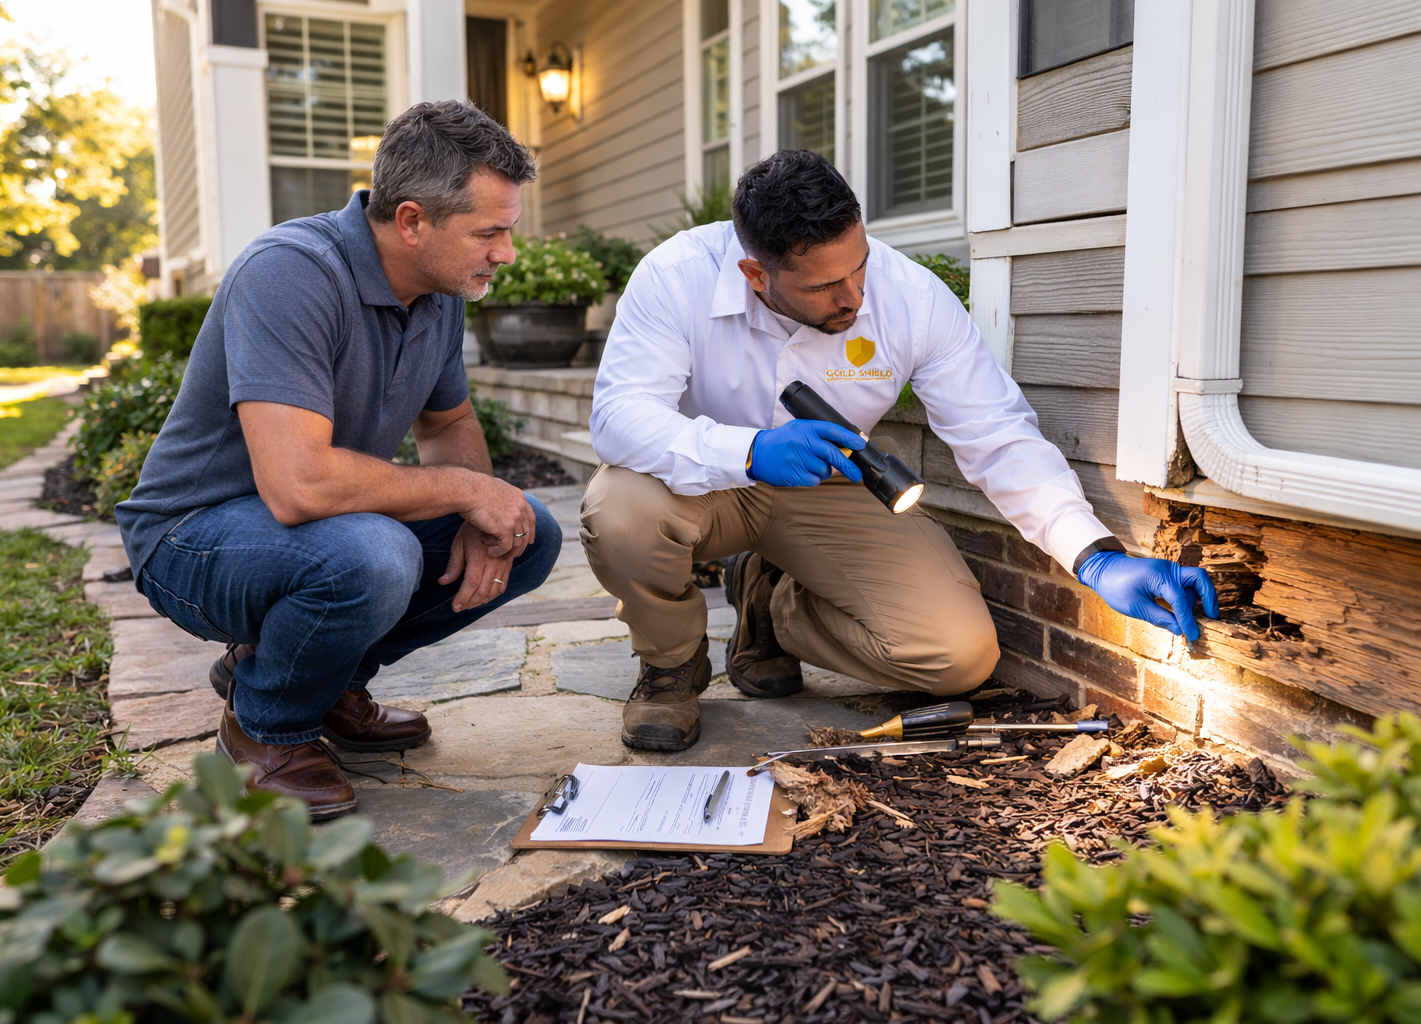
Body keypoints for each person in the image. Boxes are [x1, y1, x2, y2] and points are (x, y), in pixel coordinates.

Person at [584, 150, 1217, 751]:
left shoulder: (909, 298)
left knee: (958, 654)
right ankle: (670, 667)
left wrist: (1094, 556)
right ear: (755, 274)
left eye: (858, 265)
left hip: (832, 482)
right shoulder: (677, 276)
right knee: (619, 511)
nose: (855, 298)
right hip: (703, 482)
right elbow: (619, 417)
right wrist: (748, 450)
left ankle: (771, 608)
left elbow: (995, 433)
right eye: (825, 286)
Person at [115, 101, 561, 818]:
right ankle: (267, 728)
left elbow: (447, 421)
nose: (505, 253)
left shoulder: (440, 289)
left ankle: (324, 683)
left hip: (307, 530)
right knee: (372, 555)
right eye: (491, 232)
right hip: (190, 539)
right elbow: (298, 487)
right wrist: (457, 488)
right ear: (412, 220)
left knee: (526, 529)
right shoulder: (291, 272)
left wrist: (482, 508)